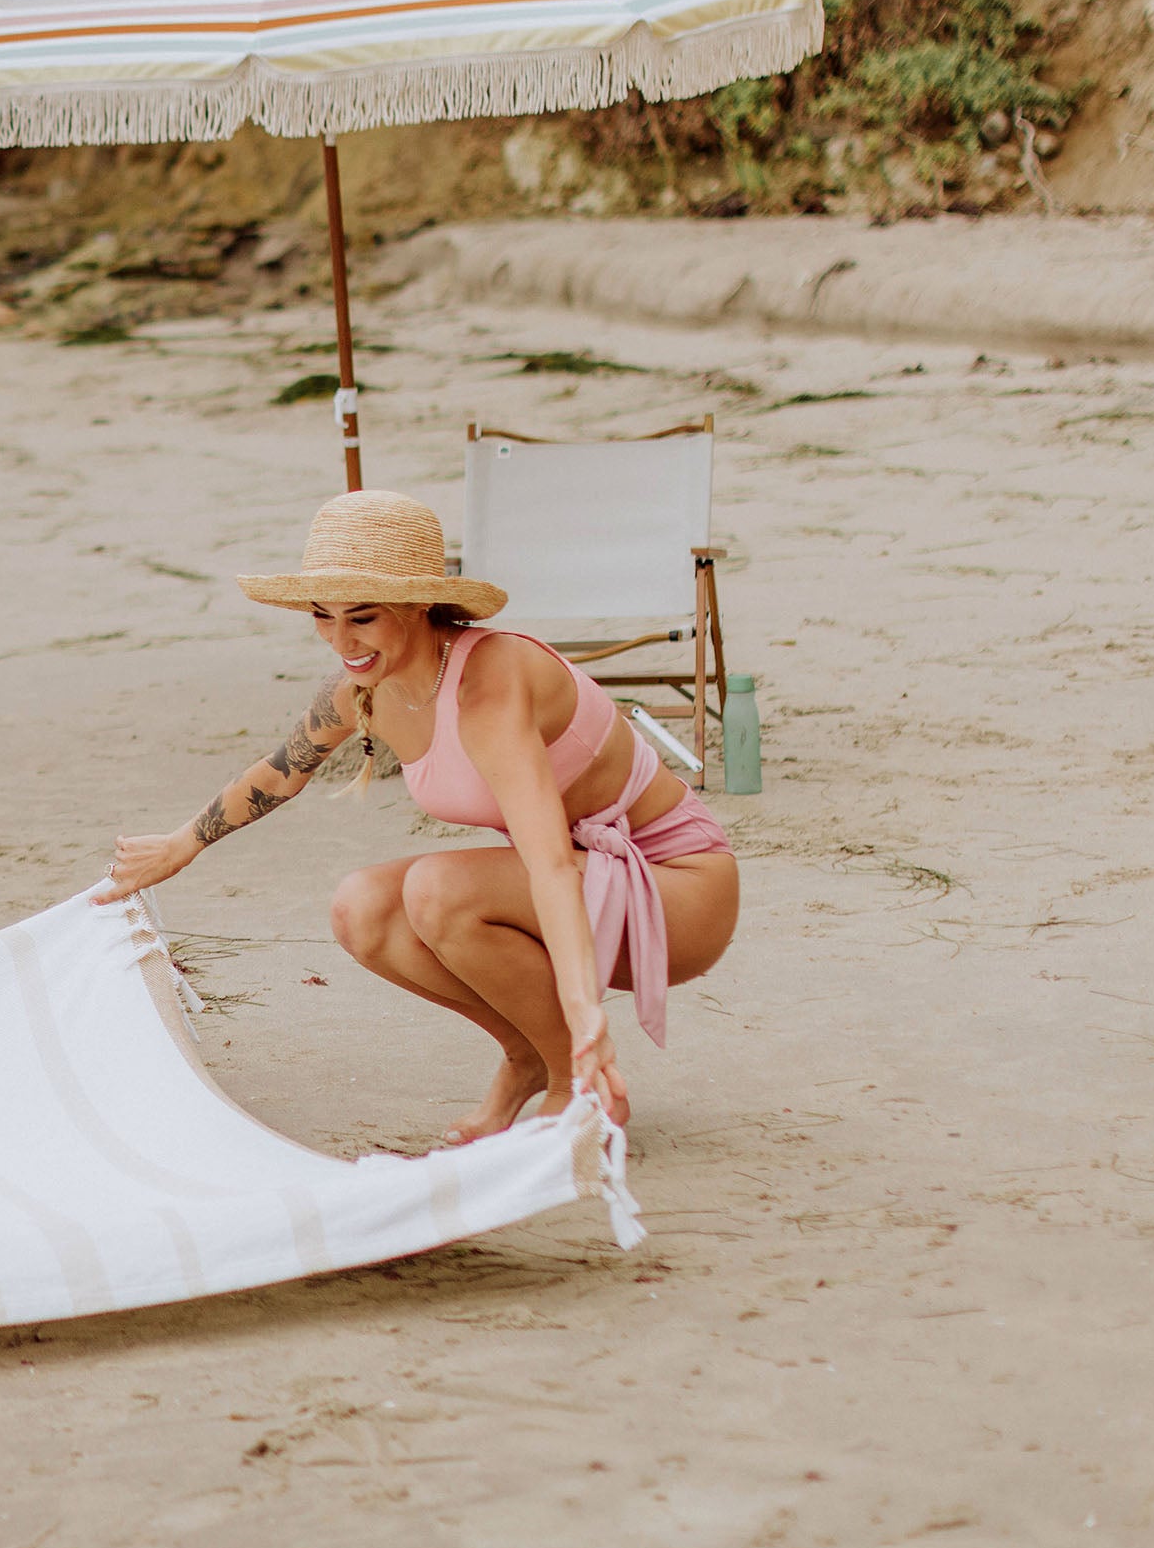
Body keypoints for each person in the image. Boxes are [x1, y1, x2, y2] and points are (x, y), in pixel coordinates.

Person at [94, 489, 737, 1145]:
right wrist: (181, 845)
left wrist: (585, 1010)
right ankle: (529, 1054)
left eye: (364, 617)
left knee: (436, 891)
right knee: (361, 908)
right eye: (323, 615)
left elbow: (547, 863)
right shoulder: (365, 690)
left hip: (677, 891)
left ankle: (575, 1079)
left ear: (418, 603)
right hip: (581, 885)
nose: (342, 640)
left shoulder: (489, 683)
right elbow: (280, 771)